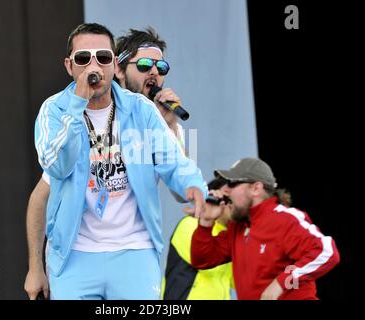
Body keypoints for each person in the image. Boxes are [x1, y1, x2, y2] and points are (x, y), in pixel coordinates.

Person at [26, 23, 207, 300]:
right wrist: (35, 267)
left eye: (103, 57)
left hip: (134, 251)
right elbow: (57, 165)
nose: (94, 66)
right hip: (75, 256)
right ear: (69, 66)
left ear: (114, 64)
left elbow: (174, 163)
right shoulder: (55, 109)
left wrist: (193, 185)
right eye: (84, 59)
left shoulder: (141, 110)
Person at [185, 157, 340, 300]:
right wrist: (206, 221)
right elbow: (202, 261)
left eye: (232, 183)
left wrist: (281, 283)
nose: (225, 190)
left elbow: (326, 251)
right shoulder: (237, 227)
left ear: (256, 189)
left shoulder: (284, 218)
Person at [162, 177, 235, 300]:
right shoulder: (190, 224)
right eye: (227, 198)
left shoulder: (228, 234)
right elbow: (205, 260)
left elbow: (235, 280)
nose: (231, 204)